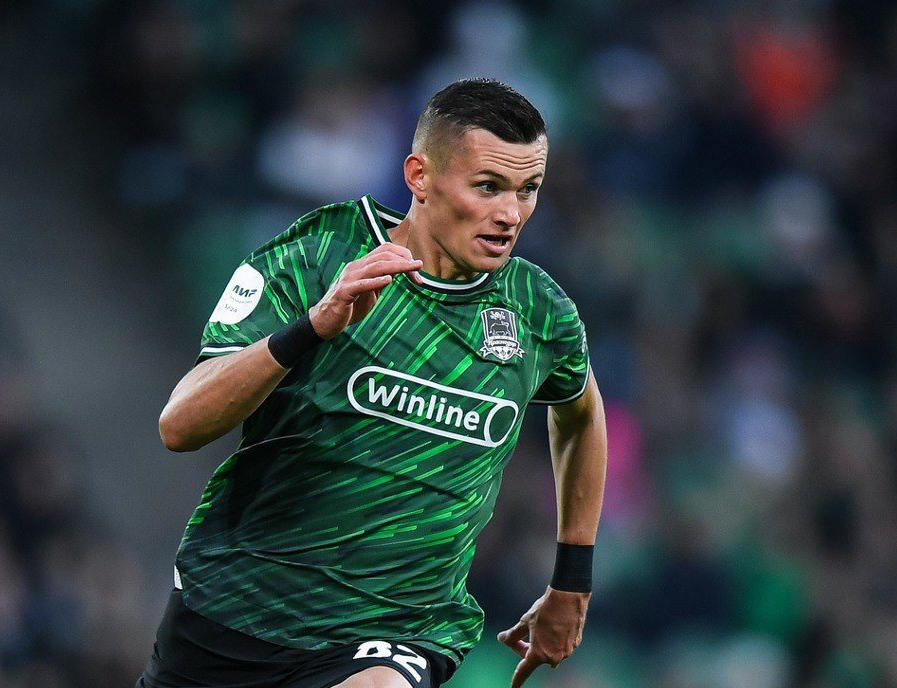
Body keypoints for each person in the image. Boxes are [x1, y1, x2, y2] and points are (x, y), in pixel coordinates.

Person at [138, 78, 608, 688]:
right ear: (420, 176)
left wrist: (572, 580)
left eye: (528, 190)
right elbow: (180, 426)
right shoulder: (317, 258)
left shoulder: (536, 310)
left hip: (399, 628)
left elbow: (581, 414)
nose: (510, 214)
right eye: (488, 187)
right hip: (236, 611)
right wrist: (312, 328)